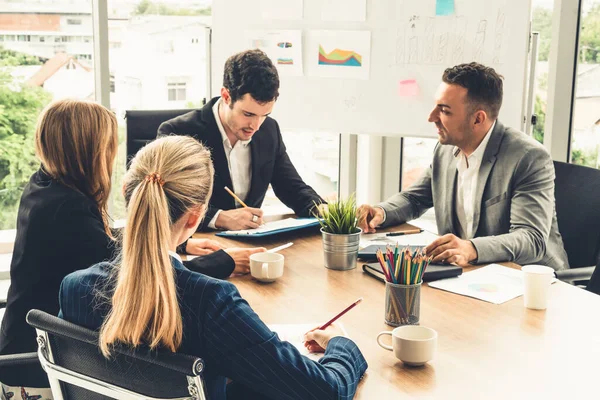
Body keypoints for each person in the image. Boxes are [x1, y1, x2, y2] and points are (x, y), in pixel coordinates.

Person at [59, 135, 367, 399]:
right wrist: (343, 346)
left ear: (128, 192)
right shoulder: (211, 303)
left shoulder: (74, 287)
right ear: (195, 218)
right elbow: (326, 391)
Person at [0, 100, 262, 388]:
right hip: (36, 368)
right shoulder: (68, 210)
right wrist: (224, 261)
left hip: (29, 342)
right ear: (89, 151)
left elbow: (105, 240)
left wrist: (182, 244)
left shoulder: (46, 187)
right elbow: (141, 271)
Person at [357, 62, 569, 271]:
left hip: (529, 282)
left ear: (478, 119)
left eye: (445, 111)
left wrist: (470, 249)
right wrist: (380, 212)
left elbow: (531, 239)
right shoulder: (446, 150)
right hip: (469, 275)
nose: (431, 118)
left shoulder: (528, 157)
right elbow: (415, 199)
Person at [158, 49, 325, 231]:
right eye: (248, 114)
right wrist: (219, 217)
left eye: (264, 115)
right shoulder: (178, 132)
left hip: (252, 247)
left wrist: (331, 212)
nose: (255, 125)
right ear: (226, 96)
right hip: (197, 246)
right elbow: (165, 202)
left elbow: (293, 189)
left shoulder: (269, 130)